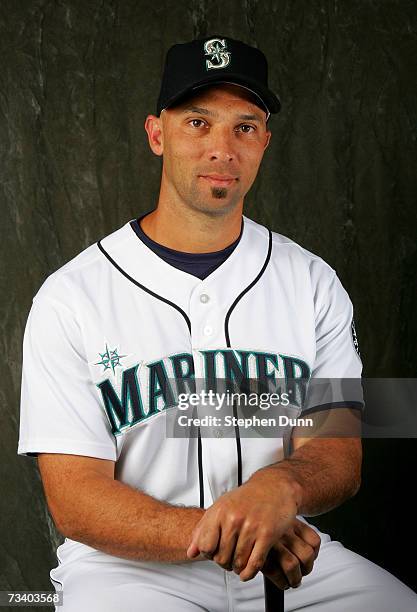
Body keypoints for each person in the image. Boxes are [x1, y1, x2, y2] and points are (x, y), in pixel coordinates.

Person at [18, 35, 416, 611]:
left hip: (290, 556)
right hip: (131, 571)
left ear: (265, 142)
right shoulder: (71, 296)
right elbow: (76, 501)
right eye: (198, 123)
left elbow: (338, 454)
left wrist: (282, 486)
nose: (222, 148)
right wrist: (233, 532)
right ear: (157, 134)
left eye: (244, 126)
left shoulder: (312, 283)